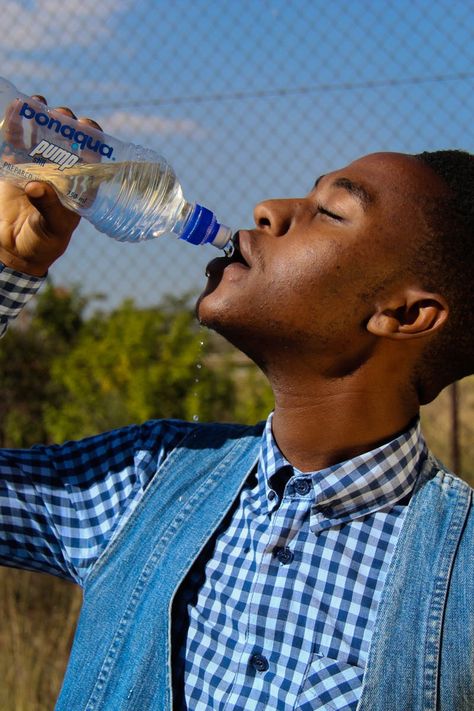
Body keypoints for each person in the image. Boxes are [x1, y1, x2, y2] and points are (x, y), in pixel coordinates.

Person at [0, 102, 473, 711]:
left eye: (330, 211)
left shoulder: (458, 581)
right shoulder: (147, 480)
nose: (268, 210)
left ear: (404, 314)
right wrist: (11, 265)